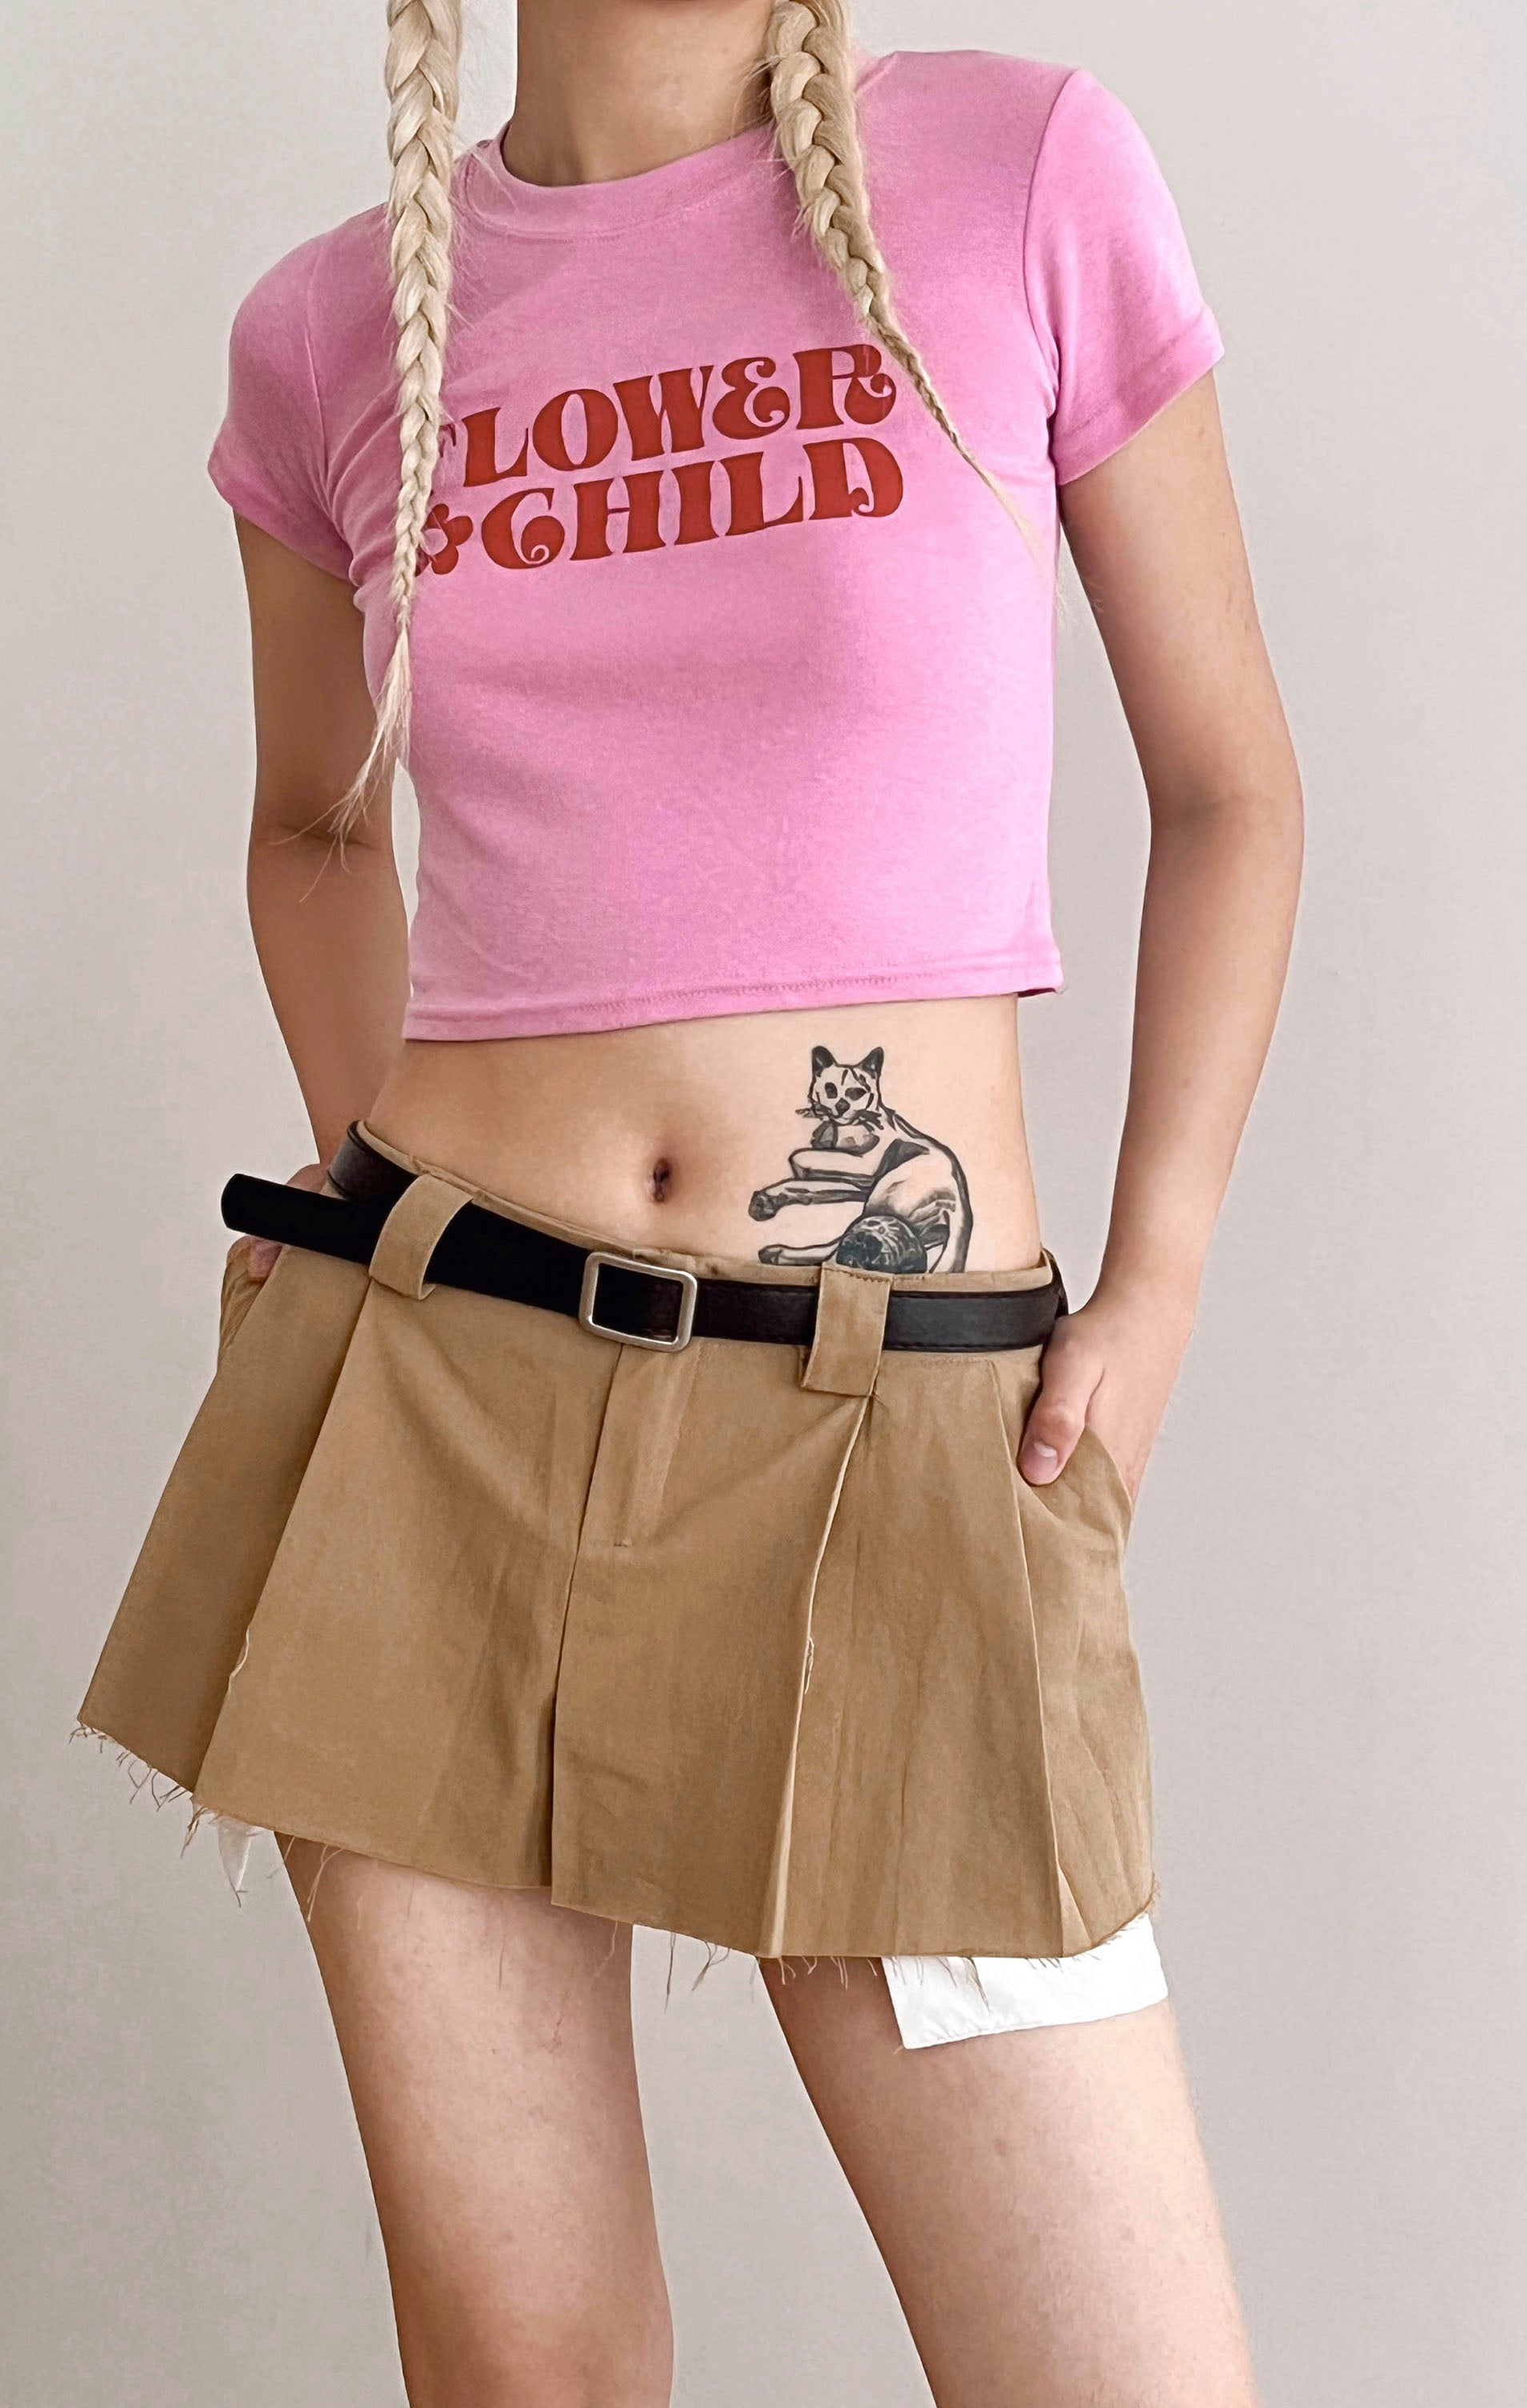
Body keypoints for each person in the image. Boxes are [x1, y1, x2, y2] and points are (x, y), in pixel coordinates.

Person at [78, 3, 1301, 2400]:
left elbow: (1232, 783)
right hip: (433, 1415)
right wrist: (363, 1176)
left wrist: (1155, 1286)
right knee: (529, 2372)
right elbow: (312, 827)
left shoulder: (1020, 176)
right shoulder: (328, 330)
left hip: (897, 1422)